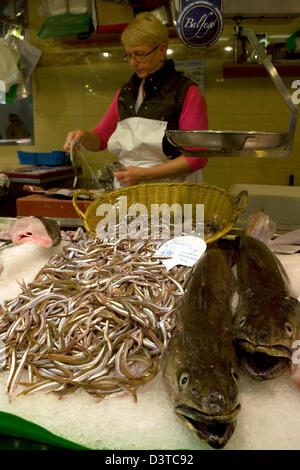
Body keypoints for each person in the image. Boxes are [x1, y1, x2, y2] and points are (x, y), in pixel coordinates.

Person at [64, 12, 208, 189]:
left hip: (173, 198)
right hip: (131, 195)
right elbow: (101, 138)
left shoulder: (186, 93)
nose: (133, 63)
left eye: (139, 54)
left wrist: (144, 175)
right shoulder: (126, 93)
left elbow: (197, 157)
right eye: (129, 55)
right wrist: (83, 136)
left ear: (161, 50)